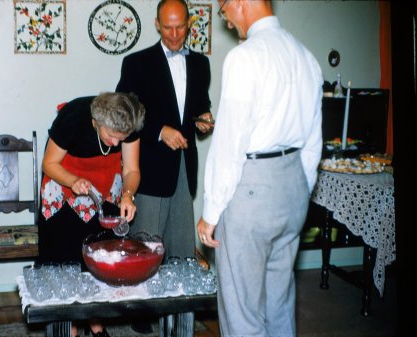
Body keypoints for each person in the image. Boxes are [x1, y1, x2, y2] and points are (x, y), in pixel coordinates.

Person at [197, 1, 323, 336]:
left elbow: (229, 143)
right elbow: (314, 142)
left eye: (224, 10)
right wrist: (299, 188)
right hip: (293, 186)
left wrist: (211, 210)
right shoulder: (305, 55)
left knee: (242, 312)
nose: (227, 20)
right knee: (280, 302)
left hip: (251, 190)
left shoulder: (245, 57)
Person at [37, 92, 145, 337]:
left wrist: (128, 194)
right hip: (64, 183)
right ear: (97, 122)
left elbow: (131, 169)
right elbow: (49, 164)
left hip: (105, 188)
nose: (117, 144)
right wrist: (73, 181)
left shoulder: (127, 122)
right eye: (112, 137)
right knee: (66, 262)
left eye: (123, 138)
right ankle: (70, 325)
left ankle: (95, 321)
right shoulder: (73, 117)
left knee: (99, 260)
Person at [115, 0, 213, 261]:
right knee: (144, 254)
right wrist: (159, 131)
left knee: (182, 254)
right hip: (148, 172)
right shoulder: (136, 63)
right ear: (157, 25)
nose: (174, 35)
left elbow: (199, 109)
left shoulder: (201, 65)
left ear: (189, 24)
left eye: (180, 27)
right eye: (167, 27)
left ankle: (180, 303)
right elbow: (124, 116)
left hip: (184, 169)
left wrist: (203, 119)